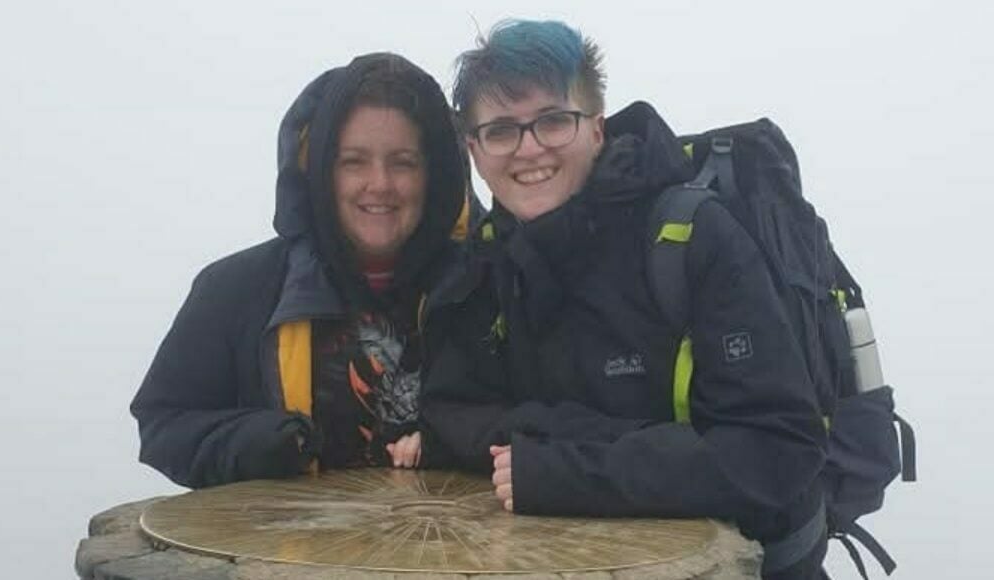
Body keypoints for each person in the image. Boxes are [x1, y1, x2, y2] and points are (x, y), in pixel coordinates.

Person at [419, 20, 829, 579]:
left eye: (553, 121)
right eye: (500, 131)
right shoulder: (487, 263)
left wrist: (565, 472)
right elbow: (449, 415)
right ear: (474, 149)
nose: (529, 148)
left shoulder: (690, 239)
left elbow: (779, 449)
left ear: (597, 128)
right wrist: (577, 441)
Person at [131, 52, 475, 488]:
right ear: (319, 172)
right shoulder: (234, 289)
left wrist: (456, 439)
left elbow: (534, 420)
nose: (380, 183)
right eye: (353, 161)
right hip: (282, 534)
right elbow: (163, 426)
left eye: (403, 162)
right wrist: (260, 441)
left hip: (449, 532)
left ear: (435, 175)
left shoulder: (484, 286)